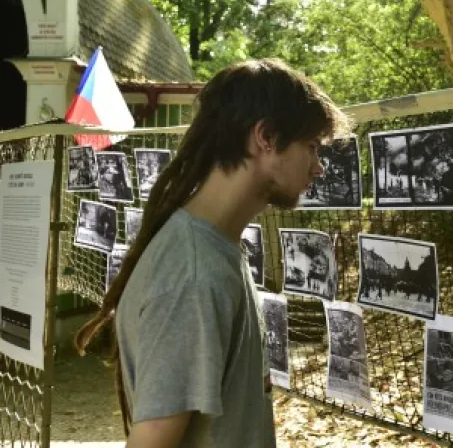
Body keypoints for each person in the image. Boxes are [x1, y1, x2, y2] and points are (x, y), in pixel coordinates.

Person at [73, 59, 350, 448]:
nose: (318, 167)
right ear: (266, 137)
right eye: (311, 147)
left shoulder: (215, 246)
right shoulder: (195, 270)